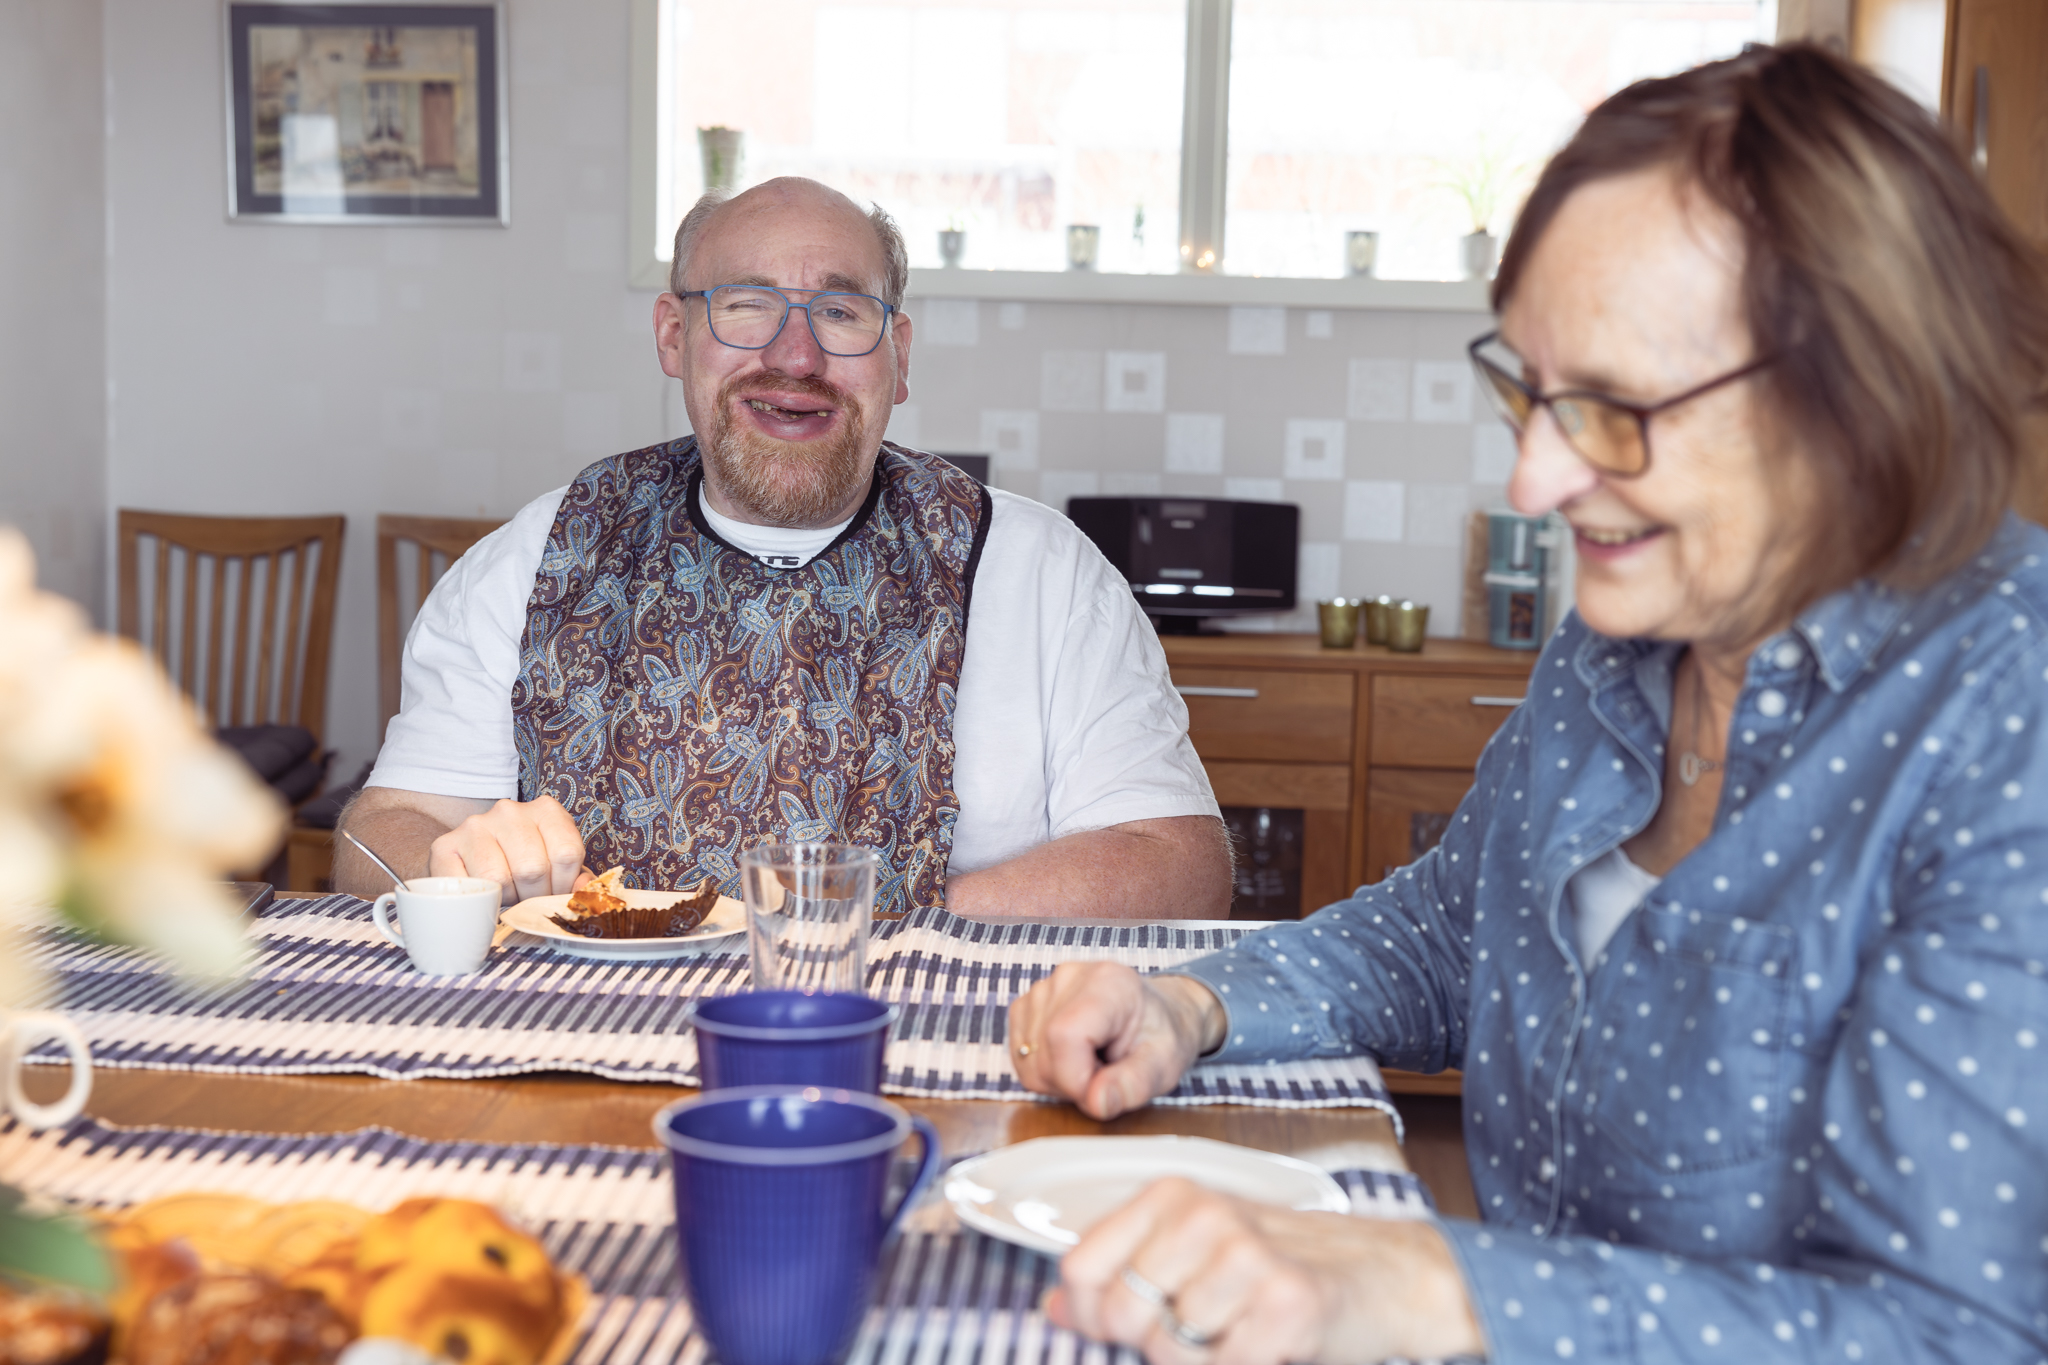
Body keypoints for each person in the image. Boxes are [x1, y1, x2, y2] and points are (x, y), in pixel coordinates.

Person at [1007, 44, 2048, 1363]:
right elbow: (1453, 933)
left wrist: (1432, 1289)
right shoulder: (1629, 640)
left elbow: (1961, 1336)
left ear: (1861, 388)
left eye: (1611, 409)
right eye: (1532, 390)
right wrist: (1195, 1006)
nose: (1535, 478)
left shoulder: (2014, 716)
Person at [337, 177, 1230, 920]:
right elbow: (381, 832)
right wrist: (452, 868)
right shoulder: (534, 560)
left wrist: (877, 926)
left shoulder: (1043, 571)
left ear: (899, 357)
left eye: (841, 312)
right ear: (673, 336)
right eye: (747, 306)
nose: (794, 355)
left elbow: (1182, 866)